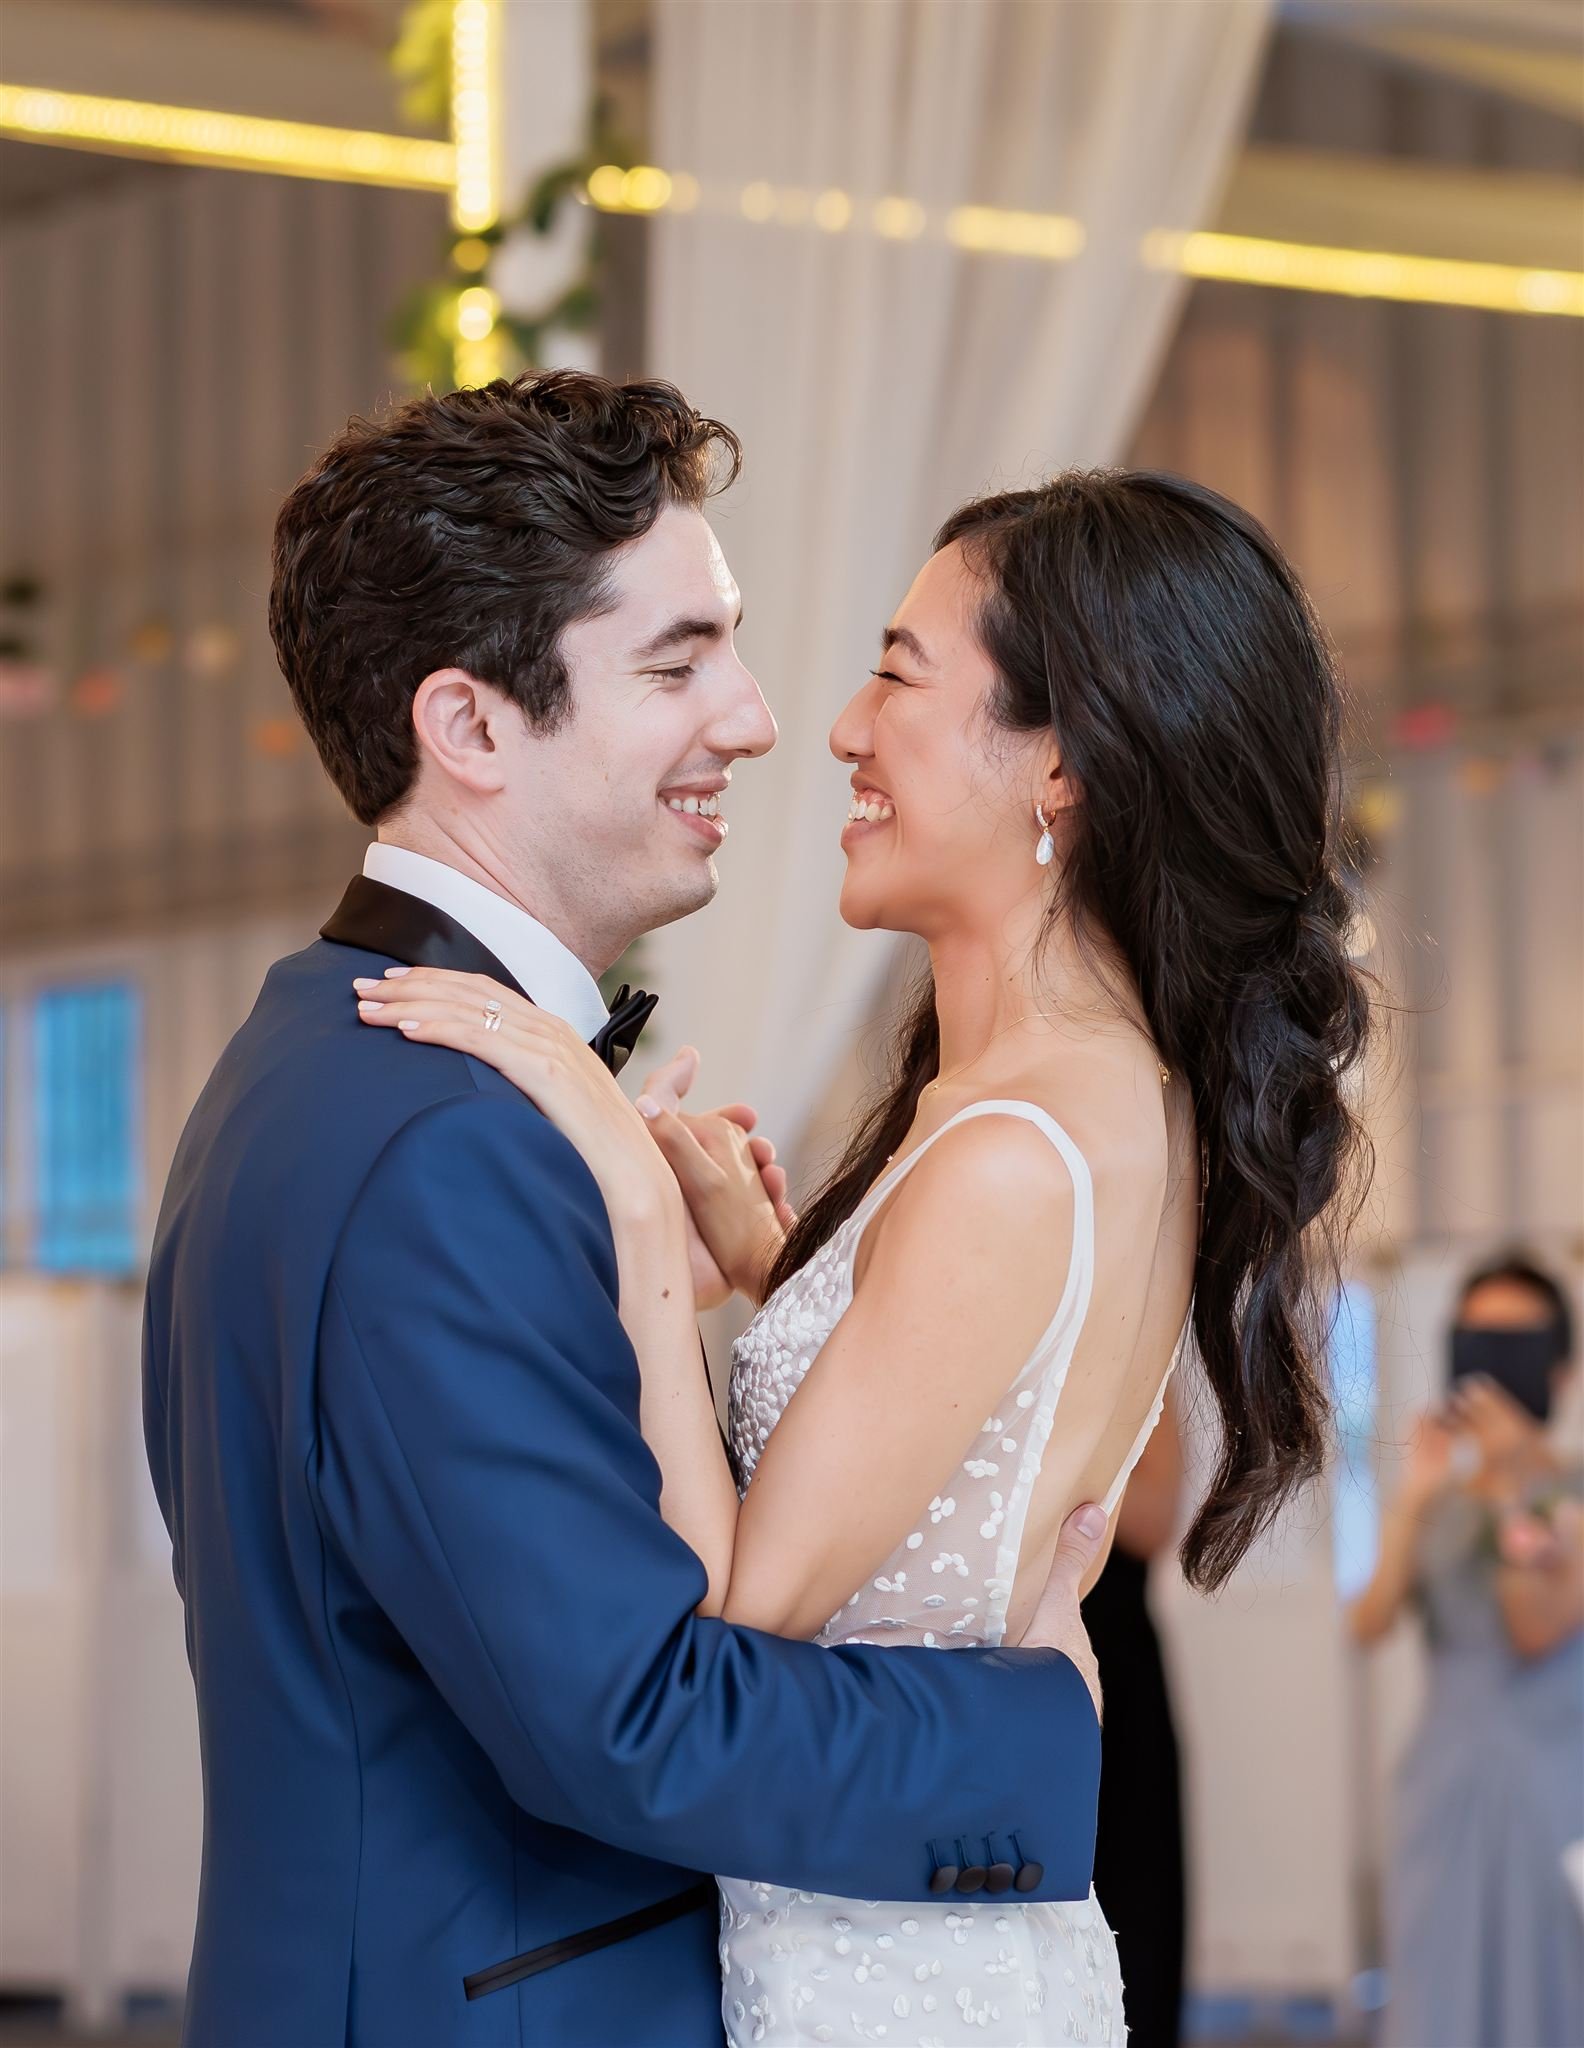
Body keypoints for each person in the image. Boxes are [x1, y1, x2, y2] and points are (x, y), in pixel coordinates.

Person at [141, 372, 1114, 2048]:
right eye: (674, 664)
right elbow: (633, 1716)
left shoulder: (340, 1064)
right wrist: (1035, 1728)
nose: (751, 716)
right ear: (468, 727)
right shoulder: (443, 1136)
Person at [364, 460, 1375, 2041]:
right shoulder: (1077, 1099)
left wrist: (629, 1212)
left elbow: (733, 1613)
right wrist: (779, 1269)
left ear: (1062, 767)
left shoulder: (1008, 1155)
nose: (836, 728)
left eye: (897, 675)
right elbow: (955, 1428)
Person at [1350, 1253, 1584, 2048]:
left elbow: (1535, 1626)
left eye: (1518, 1344)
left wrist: (1520, 1471)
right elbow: (1368, 1622)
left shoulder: (1570, 1493)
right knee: (1437, 1992)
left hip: (1552, 1784)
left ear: (1558, 1366)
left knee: (1545, 1990)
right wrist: (1413, 1500)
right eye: (1479, 1340)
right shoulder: (1438, 1499)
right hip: (1442, 1781)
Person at [1083, 1377, 1188, 2048]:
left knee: (1135, 1909)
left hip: (1116, 1665)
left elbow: (1155, 1519)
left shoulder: (1140, 1344)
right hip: (997, 1667)